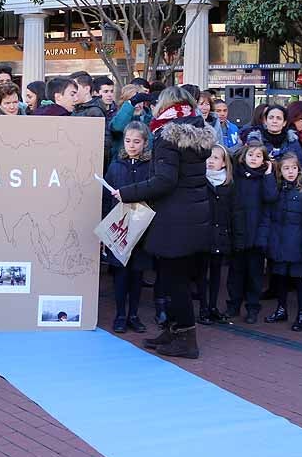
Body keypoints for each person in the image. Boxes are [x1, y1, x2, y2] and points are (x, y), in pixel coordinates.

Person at [114, 86, 214, 358]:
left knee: (175, 281)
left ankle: (185, 339)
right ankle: (173, 331)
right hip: (190, 217)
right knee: (172, 279)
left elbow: (164, 181)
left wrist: (126, 192)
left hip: (175, 220)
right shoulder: (197, 133)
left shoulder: (168, 136)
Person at [259, 154, 302, 331]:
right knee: (280, 278)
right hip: (279, 242)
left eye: (293, 168)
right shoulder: (278, 190)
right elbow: (268, 215)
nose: (290, 172)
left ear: (299, 169)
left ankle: (301, 314)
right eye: (286, 168)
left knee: (299, 280)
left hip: (298, 244)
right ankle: (281, 308)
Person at [103, 122, 152, 334]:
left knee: (137, 274)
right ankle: (121, 314)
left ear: (145, 143)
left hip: (141, 229)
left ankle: (134, 314)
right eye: (128, 141)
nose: (131, 145)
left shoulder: (150, 167)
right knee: (121, 273)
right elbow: (106, 199)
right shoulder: (116, 166)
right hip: (120, 228)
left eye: (137, 142)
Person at [229, 141, 277, 323]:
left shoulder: (265, 178)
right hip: (239, 230)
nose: (254, 159)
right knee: (236, 273)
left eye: (259, 156)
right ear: (244, 156)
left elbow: (271, 197)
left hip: (257, 232)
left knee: (255, 275)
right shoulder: (237, 176)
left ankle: (252, 308)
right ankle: (233, 304)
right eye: (251, 155)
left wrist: (268, 175)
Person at [196, 145, 234, 326]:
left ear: (224, 163)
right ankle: (203, 307)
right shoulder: (200, 182)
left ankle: (212, 307)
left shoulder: (228, 185)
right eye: (208, 157)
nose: (210, 161)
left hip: (221, 235)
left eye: (216, 158)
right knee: (202, 273)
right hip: (203, 234)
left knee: (217, 273)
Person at [245, 105, 302, 177]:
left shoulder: (292, 141)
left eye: (279, 118)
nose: (274, 121)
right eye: (271, 118)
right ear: (265, 121)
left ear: (284, 122)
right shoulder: (255, 141)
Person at [109, 87, 155, 157]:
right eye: (134, 101)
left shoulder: (150, 118)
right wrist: (131, 104)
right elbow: (118, 127)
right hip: (122, 162)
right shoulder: (118, 118)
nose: (137, 105)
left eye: (140, 101)